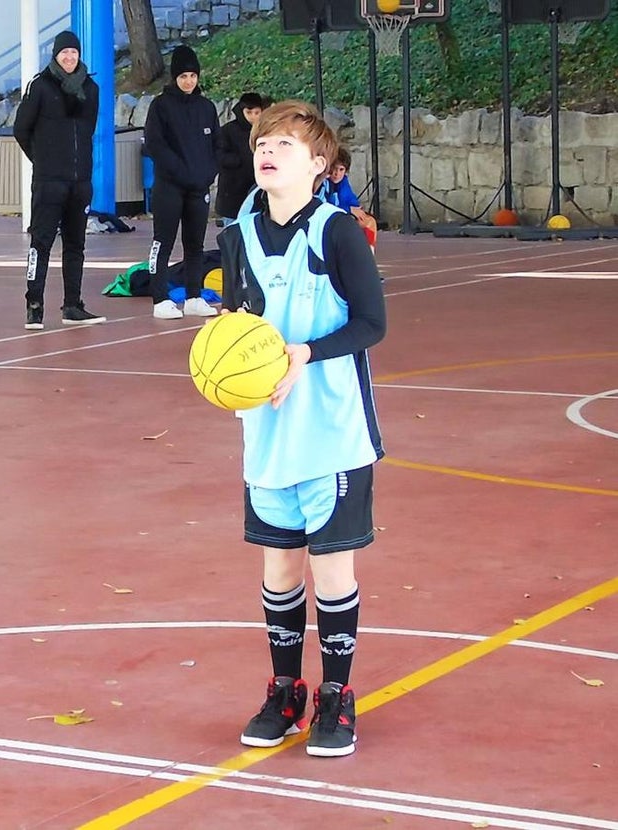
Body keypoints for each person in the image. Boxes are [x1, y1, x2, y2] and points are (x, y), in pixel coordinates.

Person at [215, 100, 386, 757]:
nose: (269, 151)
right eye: (264, 141)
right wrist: (225, 358)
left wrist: (304, 353)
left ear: (320, 166)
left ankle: (336, 696)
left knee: (331, 570)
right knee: (280, 568)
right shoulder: (238, 234)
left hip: (333, 430)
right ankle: (285, 689)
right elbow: (238, 320)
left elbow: (373, 324)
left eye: (287, 144)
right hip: (268, 427)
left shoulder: (337, 232)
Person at [13, 30, 105, 330]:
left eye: (74, 53)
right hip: (48, 181)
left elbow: (88, 129)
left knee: (76, 244)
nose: (69, 57)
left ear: (79, 55)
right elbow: (21, 129)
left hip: (80, 183)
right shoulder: (40, 86)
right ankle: (34, 305)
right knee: (41, 243)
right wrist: (43, 160)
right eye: (64, 53)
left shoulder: (90, 88)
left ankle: (73, 305)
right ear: (55, 55)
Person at [142, 45, 220, 320]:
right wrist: (180, 172)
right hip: (169, 188)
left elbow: (216, 147)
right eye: (183, 75)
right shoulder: (160, 106)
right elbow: (155, 145)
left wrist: (208, 174)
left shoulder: (206, 107)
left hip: (198, 190)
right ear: (174, 77)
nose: (188, 81)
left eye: (193, 75)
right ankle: (160, 298)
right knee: (162, 241)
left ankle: (194, 296)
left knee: (195, 244)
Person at [216, 92, 265, 226]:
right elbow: (218, 155)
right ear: (241, 111)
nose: (253, 117)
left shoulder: (266, 131)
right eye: (249, 112)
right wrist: (240, 160)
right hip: (233, 192)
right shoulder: (228, 131)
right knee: (233, 233)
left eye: (257, 112)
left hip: (259, 190)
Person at [321, 146, 378, 256]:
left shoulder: (343, 183)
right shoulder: (323, 183)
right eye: (334, 169)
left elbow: (351, 200)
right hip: (327, 219)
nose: (337, 173)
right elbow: (324, 206)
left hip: (341, 216)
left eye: (341, 169)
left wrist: (357, 211)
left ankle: (368, 255)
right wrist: (349, 209)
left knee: (369, 222)